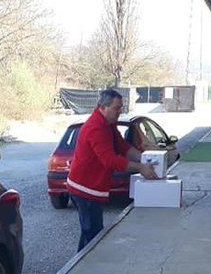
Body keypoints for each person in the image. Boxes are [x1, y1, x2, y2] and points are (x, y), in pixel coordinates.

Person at [67, 89, 158, 251]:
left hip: (91, 188)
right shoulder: (96, 128)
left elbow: (122, 147)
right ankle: (88, 270)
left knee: (89, 234)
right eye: (117, 108)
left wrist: (145, 159)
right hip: (85, 189)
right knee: (93, 235)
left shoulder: (109, 124)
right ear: (103, 107)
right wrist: (140, 167)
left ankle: (81, 266)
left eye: (121, 108)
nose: (119, 112)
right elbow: (110, 160)